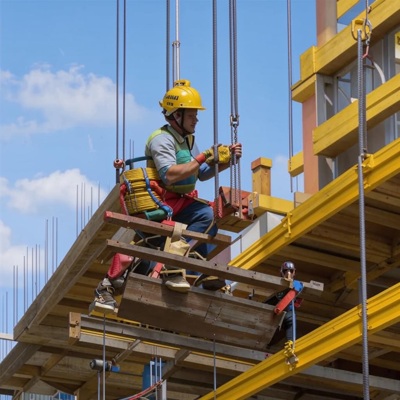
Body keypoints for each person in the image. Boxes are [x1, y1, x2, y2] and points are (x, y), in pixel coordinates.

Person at [92, 79, 242, 312]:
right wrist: (204, 157)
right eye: (192, 115)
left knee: (207, 217)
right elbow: (170, 175)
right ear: (176, 116)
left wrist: (225, 161)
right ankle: (167, 271)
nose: (196, 120)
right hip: (158, 201)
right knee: (165, 236)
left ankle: (192, 273)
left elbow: (200, 174)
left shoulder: (188, 140)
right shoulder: (161, 139)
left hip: (179, 202)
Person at [264, 261, 302, 345]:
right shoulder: (277, 284)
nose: (288, 273)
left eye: (290, 271)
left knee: (291, 319)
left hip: (287, 312)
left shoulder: (296, 284)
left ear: (294, 272)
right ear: (281, 271)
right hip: (274, 311)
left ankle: (290, 343)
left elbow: (299, 289)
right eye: (285, 271)